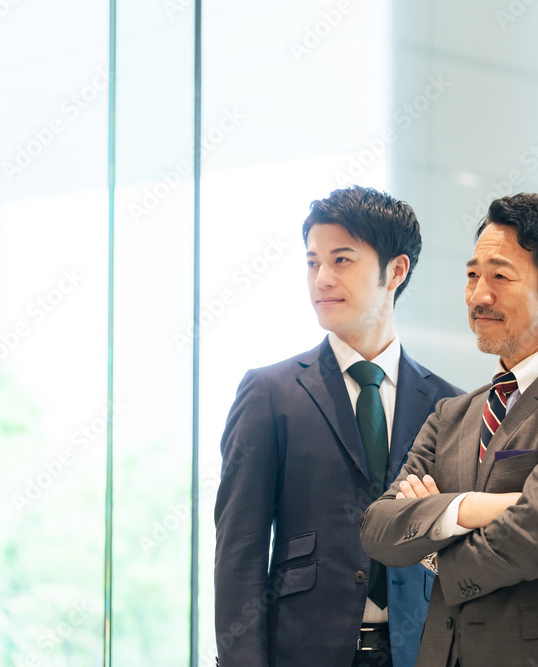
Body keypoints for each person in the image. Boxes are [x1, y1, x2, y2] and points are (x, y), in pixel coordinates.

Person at [360, 193, 538, 667]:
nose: (477, 297)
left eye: (500, 277)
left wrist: (433, 540)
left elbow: (537, 538)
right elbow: (378, 528)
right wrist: (470, 506)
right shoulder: (451, 415)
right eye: (472, 275)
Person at [213, 185, 461, 667]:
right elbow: (239, 552)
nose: (321, 279)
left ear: (396, 271)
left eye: (341, 260)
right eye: (312, 263)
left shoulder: (448, 405)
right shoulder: (270, 393)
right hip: (303, 650)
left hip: (419, 651)